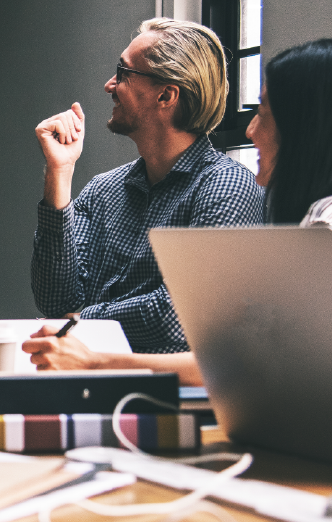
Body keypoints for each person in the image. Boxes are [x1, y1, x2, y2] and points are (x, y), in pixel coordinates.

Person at [25, 39, 332, 422]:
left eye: (264, 114)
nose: (251, 131)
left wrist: (87, 341)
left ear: (307, 130)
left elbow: (232, 354)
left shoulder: (329, 229)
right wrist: (59, 175)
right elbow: (56, 299)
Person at [29, 18, 264, 355]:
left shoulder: (226, 186)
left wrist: (80, 321)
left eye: (123, 73)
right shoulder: (102, 190)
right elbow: (55, 301)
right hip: (85, 382)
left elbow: (178, 318)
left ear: (166, 95)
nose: (110, 84)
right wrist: (59, 173)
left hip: (163, 399)